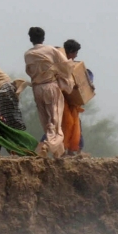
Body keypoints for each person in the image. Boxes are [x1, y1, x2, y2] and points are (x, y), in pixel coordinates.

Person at [24, 27, 74, 158]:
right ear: (43, 38)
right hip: (50, 87)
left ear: (30, 39)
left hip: (37, 89)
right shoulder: (51, 50)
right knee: (55, 122)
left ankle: (59, 154)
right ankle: (46, 145)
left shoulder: (28, 54)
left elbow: (28, 71)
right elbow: (66, 66)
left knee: (46, 122)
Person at [62, 38, 84, 155]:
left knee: (74, 123)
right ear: (70, 52)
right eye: (75, 53)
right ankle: (61, 149)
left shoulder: (72, 65)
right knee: (66, 123)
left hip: (71, 101)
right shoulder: (61, 63)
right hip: (61, 98)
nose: (76, 56)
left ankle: (71, 149)